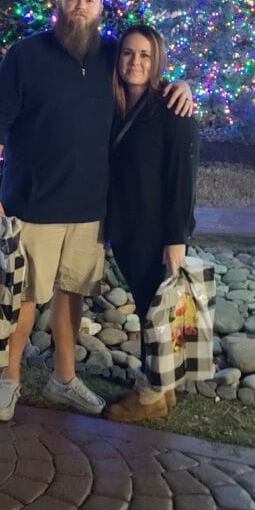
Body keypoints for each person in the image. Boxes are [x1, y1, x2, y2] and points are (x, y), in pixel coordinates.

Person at [0, 0, 193, 422]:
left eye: (89, 1)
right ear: (58, 3)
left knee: (70, 295)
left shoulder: (111, 55)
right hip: (32, 204)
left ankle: (64, 379)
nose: (80, 6)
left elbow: (148, 69)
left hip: (90, 211)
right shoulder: (26, 54)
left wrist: (183, 86)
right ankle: (9, 381)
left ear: (101, 9)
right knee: (24, 299)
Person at [104, 24, 199, 423]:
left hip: (157, 230)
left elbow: (183, 177)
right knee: (152, 307)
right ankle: (163, 387)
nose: (135, 62)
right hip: (126, 227)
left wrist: (176, 237)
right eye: (128, 53)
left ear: (156, 59)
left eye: (144, 54)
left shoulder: (173, 109)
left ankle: (151, 395)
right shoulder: (114, 103)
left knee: (154, 309)